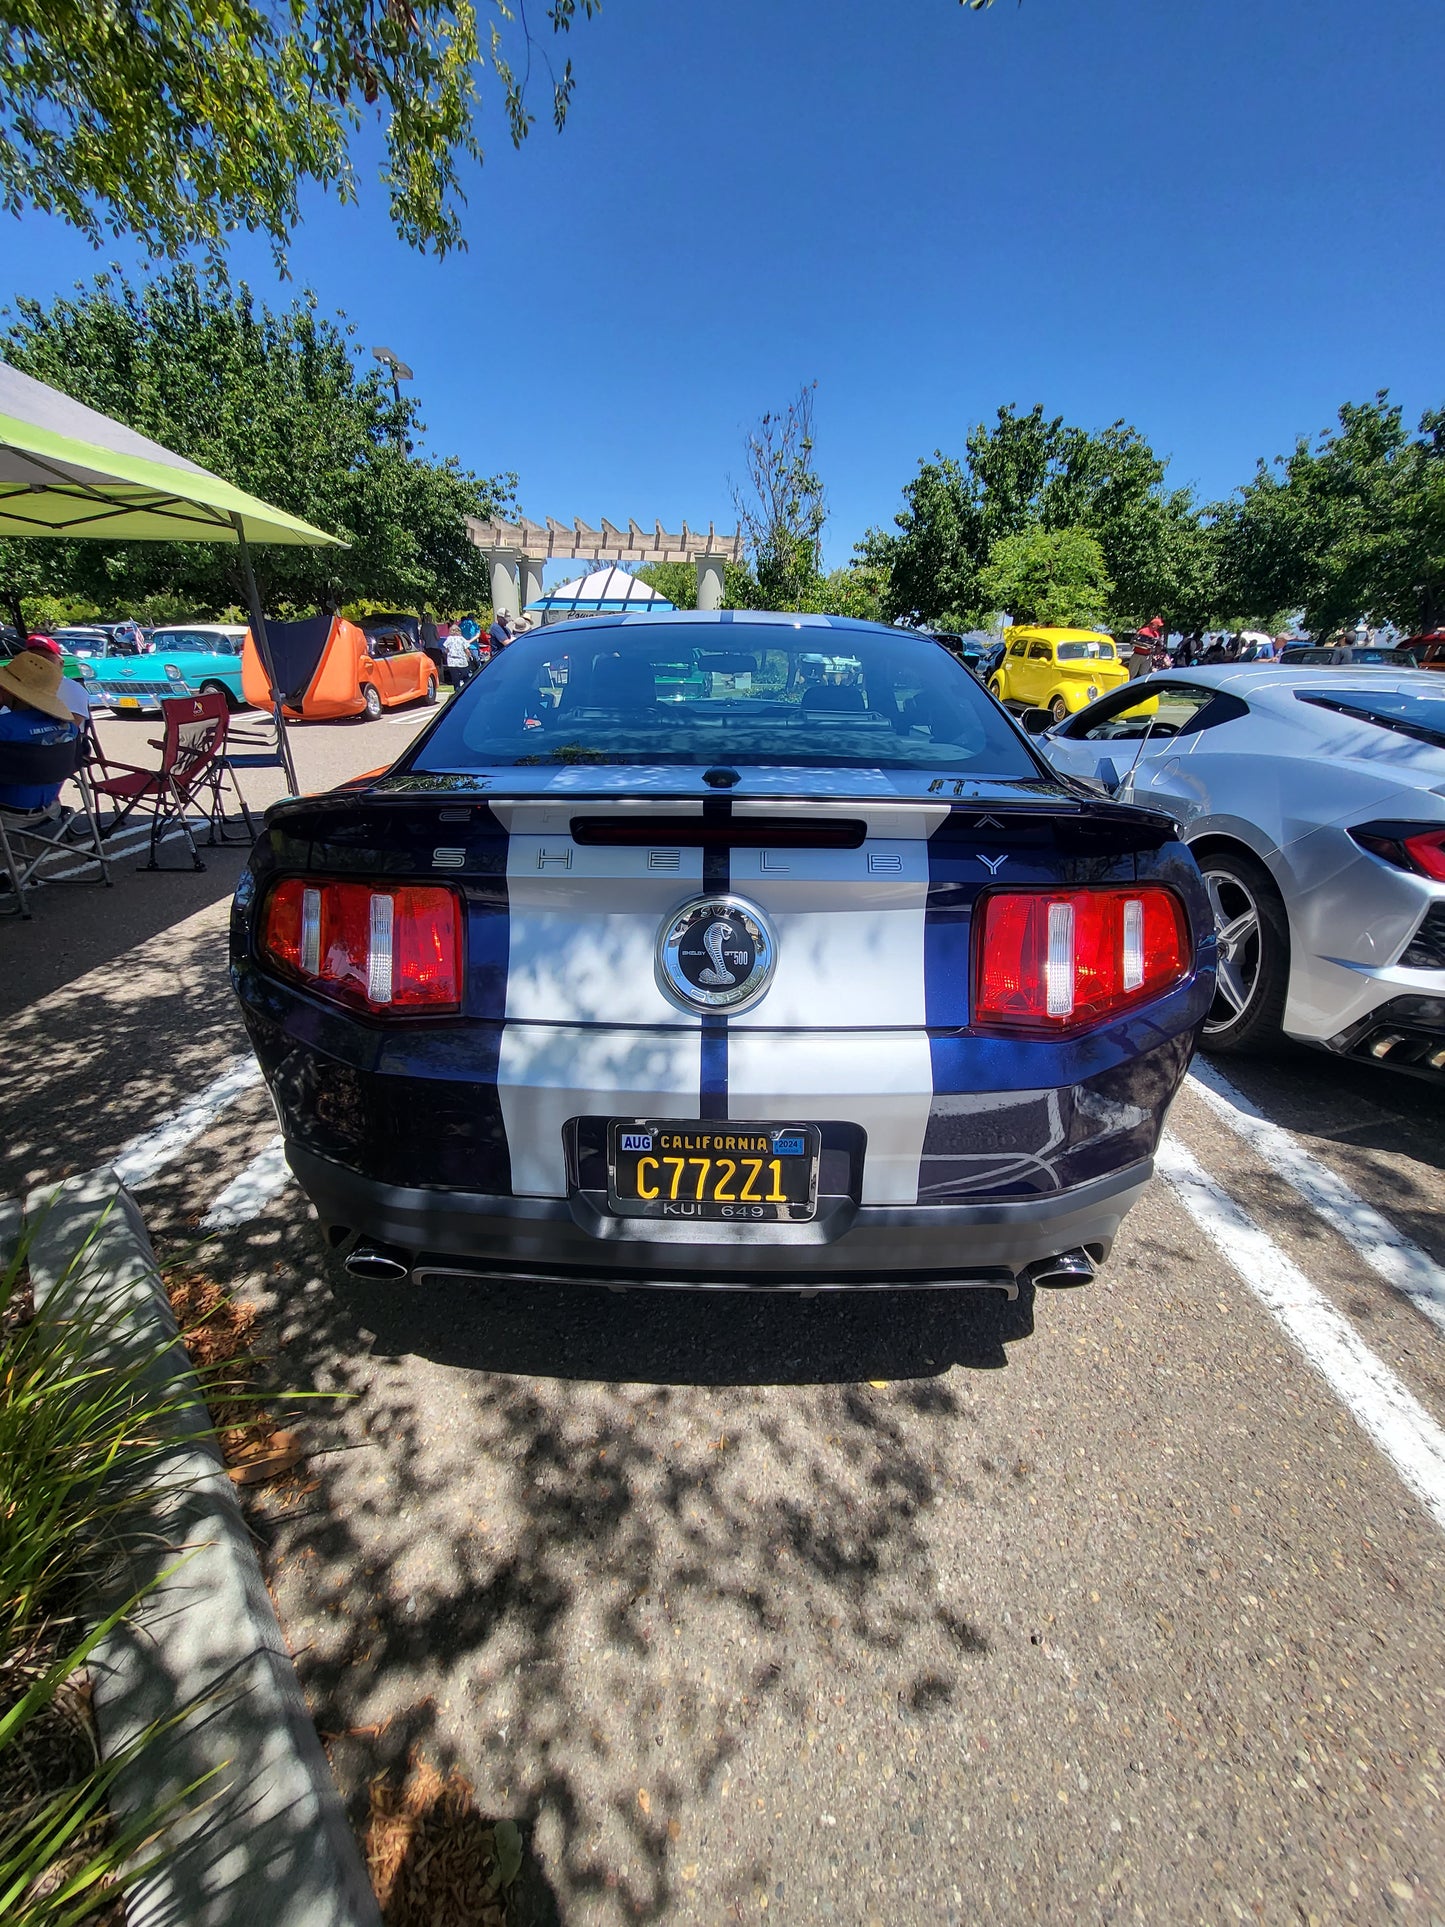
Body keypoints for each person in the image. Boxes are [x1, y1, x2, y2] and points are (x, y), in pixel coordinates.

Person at [0, 648, 79, 812]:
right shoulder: (69, 728)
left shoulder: (5, 727)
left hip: (6, 811)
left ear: (9, 690)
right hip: (49, 808)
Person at [24, 637, 91, 721]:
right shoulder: (19, 685)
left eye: (45, 658)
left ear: (61, 663)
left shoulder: (71, 689)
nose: (38, 662)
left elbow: (72, 725)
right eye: (32, 658)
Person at [443, 624, 472, 692]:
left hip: (452, 662)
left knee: (455, 679)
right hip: (462, 661)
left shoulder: (449, 639)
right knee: (466, 677)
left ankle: (457, 691)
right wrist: (469, 656)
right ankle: (466, 691)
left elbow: (446, 650)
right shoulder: (462, 639)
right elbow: (467, 650)